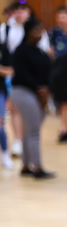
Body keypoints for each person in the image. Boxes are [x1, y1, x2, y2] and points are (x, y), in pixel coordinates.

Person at [10, 18, 53, 178]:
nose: (39, 34)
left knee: (30, 130)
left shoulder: (41, 52)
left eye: (41, 31)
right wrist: (39, 88)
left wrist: (47, 88)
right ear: (28, 32)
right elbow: (22, 74)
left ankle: (26, 165)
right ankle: (38, 168)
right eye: (36, 31)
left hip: (39, 93)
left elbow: (49, 71)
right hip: (23, 91)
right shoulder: (21, 51)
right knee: (33, 131)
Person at [49, 5, 67, 143]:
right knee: (63, 102)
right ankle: (63, 129)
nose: (61, 19)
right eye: (58, 16)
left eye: (64, 16)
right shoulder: (54, 33)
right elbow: (50, 50)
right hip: (59, 72)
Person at [0, 21, 11, 169]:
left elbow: (11, 70)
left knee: (0, 125)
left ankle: (5, 154)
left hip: (0, 90)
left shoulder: (3, 48)